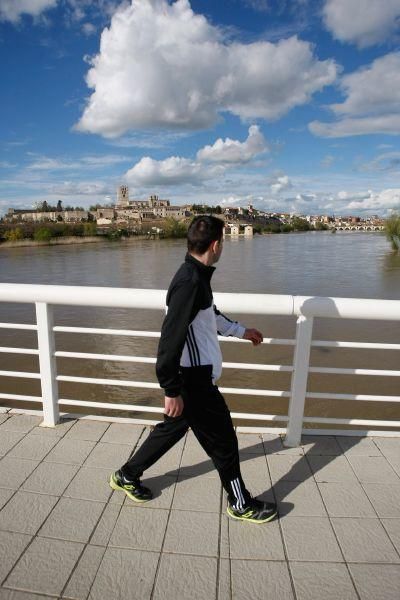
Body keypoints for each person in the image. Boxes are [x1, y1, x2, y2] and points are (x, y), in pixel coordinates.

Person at [110, 215, 278, 524]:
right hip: (194, 379)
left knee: (171, 430)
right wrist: (171, 389)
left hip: (191, 376)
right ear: (216, 245)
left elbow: (208, 316)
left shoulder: (196, 275)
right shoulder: (190, 282)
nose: (222, 247)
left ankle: (126, 475)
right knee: (224, 441)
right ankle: (240, 503)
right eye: (223, 242)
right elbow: (170, 339)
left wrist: (242, 331)